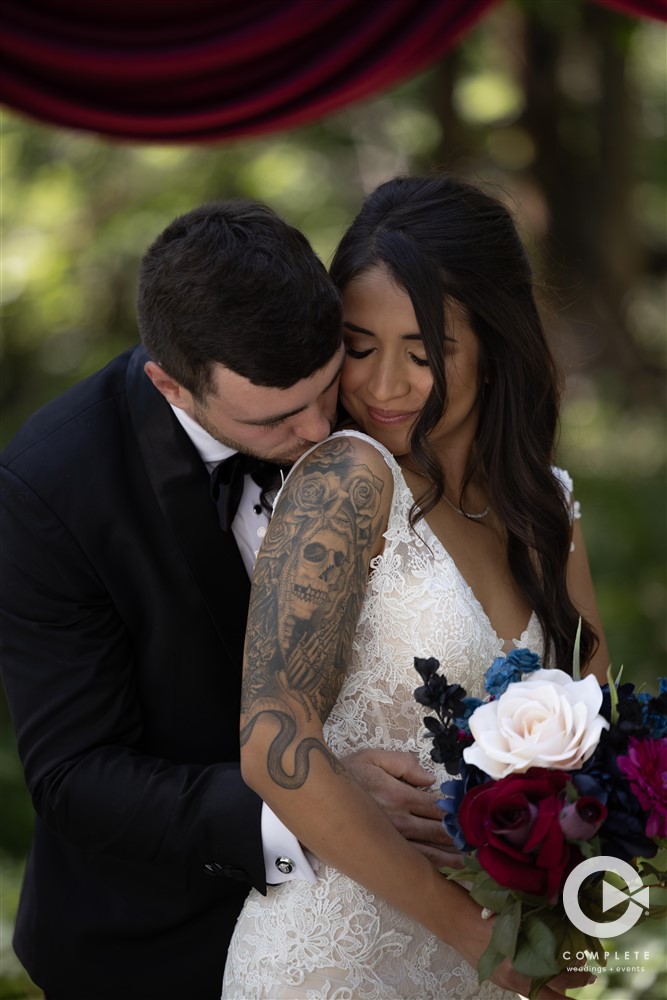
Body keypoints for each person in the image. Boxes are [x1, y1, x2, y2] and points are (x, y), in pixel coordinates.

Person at [0, 199, 454, 1000]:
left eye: (323, 388)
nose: (322, 429)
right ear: (170, 383)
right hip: (155, 944)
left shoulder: (370, 391)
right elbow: (76, 774)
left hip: (394, 928)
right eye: (279, 416)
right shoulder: (50, 490)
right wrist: (315, 803)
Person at [222, 175, 610, 999]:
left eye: (425, 354)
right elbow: (270, 748)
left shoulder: (546, 505)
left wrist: (589, 920)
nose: (383, 387)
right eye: (358, 348)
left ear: (495, 343)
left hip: (502, 963)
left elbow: (596, 751)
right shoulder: (345, 482)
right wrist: (474, 937)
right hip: (336, 963)